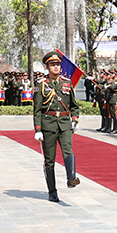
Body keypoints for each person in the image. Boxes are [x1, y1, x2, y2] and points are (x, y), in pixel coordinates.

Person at [33, 51, 81, 203]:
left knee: (68, 149)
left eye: (58, 65)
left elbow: (74, 105)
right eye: (52, 65)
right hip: (48, 124)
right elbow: (37, 110)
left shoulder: (67, 83)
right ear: (47, 67)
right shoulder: (41, 84)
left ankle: (71, 178)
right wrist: (38, 130)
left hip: (65, 123)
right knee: (50, 160)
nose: (56, 67)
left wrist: (75, 119)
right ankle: (52, 191)